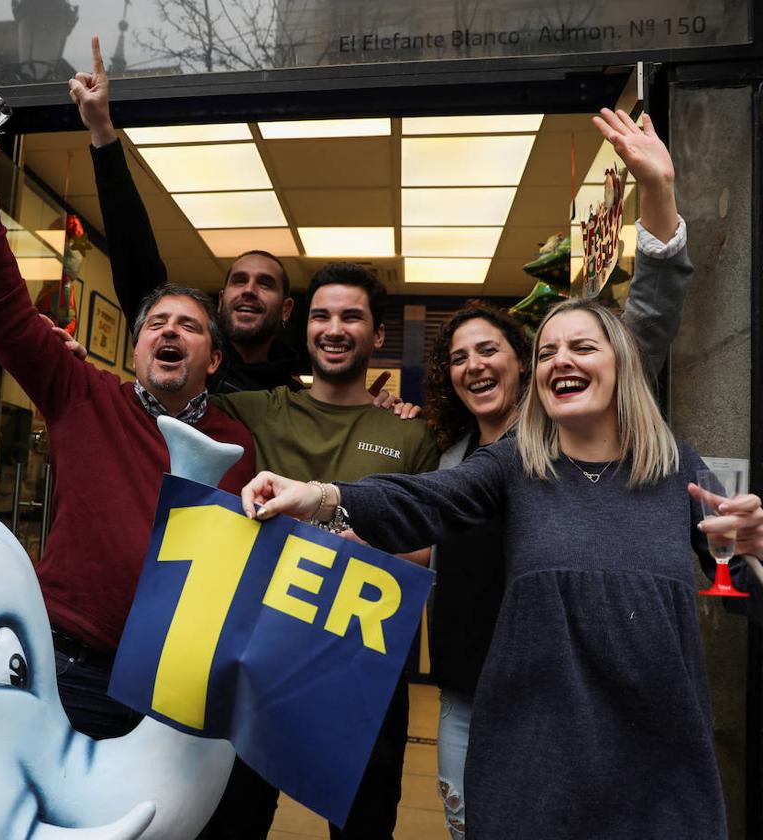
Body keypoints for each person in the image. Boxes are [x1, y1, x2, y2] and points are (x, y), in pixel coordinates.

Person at [241, 296, 763, 840]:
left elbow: (742, 582)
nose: (561, 361)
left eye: (583, 347)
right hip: (534, 767)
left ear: (622, 364)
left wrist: (757, 550)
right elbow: (422, 500)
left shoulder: (677, 468)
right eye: (547, 352)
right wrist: (318, 495)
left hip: (659, 764)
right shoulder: (516, 464)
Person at [422, 106, 694, 839]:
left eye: (494, 350)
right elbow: (413, 518)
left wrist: (660, 199)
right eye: (457, 358)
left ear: (524, 360)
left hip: (564, 696)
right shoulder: (450, 460)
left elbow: (646, 322)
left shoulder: (580, 438)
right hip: (465, 692)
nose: (475, 365)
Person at [0, 122, 257, 739]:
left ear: (214, 361)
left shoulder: (238, 449)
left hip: (176, 688)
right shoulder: (82, 396)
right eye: (157, 324)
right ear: (136, 348)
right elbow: (7, 312)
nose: (170, 332)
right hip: (71, 670)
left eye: (190, 327)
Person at [206, 261, 439, 840]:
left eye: (351, 317)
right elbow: (168, 400)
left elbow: (427, 556)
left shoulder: (411, 435)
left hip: (364, 670)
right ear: (304, 329)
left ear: (377, 335)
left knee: (364, 825)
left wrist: (368, 546)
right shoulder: (258, 409)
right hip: (259, 659)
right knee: (236, 820)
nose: (334, 328)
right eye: (321, 316)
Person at [69, 36, 301, 394]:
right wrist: (102, 132)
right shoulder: (189, 371)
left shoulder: (297, 402)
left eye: (265, 284)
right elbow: (136, 255)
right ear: (221, 301)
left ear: (286, 310)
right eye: (239, 281)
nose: (249, 291)